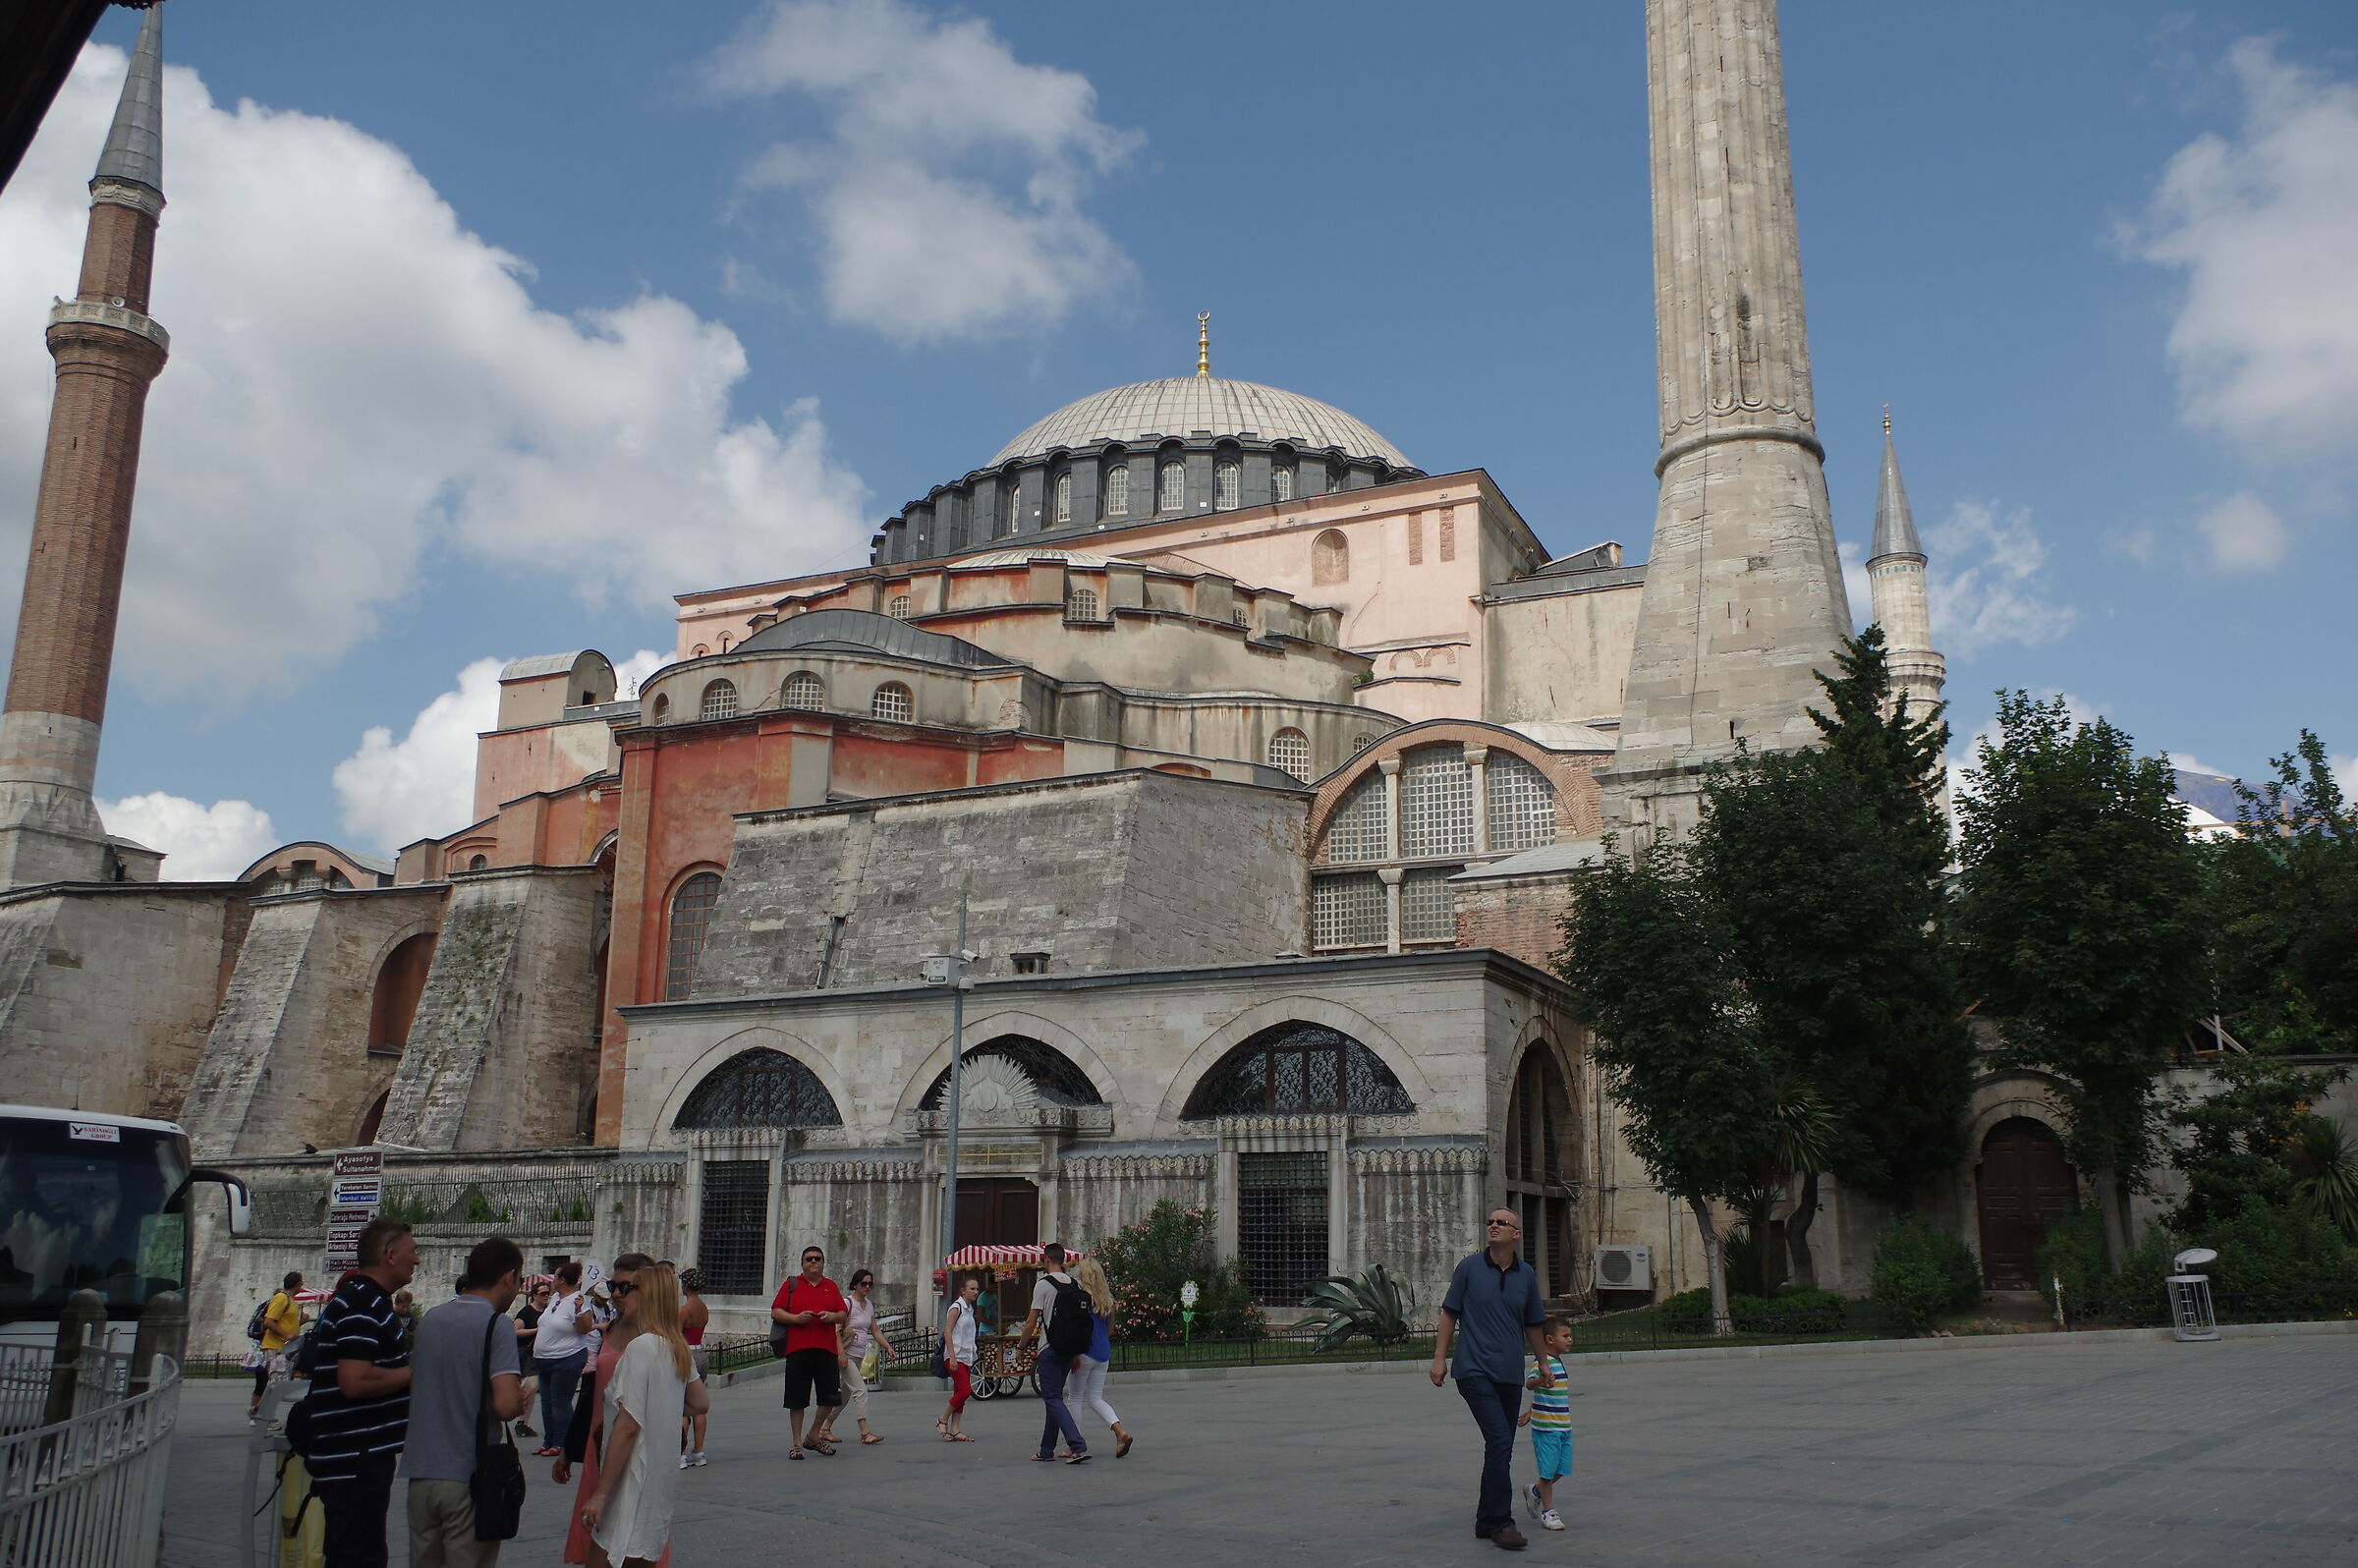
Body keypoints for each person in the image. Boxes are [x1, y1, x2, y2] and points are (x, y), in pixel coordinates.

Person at [1430, 1208, 1553, 1552]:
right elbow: (1449, 1313)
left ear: (1517, 1234)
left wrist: (1543, 1363)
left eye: (1502, 1222)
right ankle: (1501, 1521)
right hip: (1474, 1369)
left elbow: (1533, 1323)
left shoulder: (1526, 1274)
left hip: (1510, 1373)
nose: (1494, 1226)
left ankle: (1485, 1520)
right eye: (1491, 1222)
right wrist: (1440, 1358)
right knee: (1499, 1440)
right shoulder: (1469, 1268)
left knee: (1500, 1446)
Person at [404, 1237, 529, 1567]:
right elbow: (505, 1405)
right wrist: (522, 1397)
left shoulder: (431, 1319)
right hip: (468, 1476)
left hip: (421, 1473)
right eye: (519, 1280)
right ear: (508, 1277)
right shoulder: (496, 1325)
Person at [305, 1216, 419, 1568]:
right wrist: (414, 1373)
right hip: (354, 1457)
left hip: (356, 1455)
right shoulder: (363, 1302)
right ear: (390, 1256)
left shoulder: (366, 1299)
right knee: (358, 1556)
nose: (417, 1259)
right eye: (412, 1251)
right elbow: (353, 1380)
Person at [580, 1264, 705, 1568]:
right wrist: (662, 1407)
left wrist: (601, 1493)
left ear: (646, 1296)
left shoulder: (640, 1348)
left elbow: (627, 1426)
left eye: (627, 1288)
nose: (619, 1294)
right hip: (658, 1481)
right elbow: (700, 1402)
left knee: (605, 1554)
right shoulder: (676, 1347)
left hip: (631, 1478)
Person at [558, 1254, 662, 1568]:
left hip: (636, 1447)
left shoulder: (657, 1337)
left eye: (624, 1287)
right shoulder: (612, 1328)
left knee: (632, 1543)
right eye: (613, 1286)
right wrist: (570, 1448)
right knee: (600, 1533)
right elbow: (593, 1391)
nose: (616, 1294)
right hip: (599, 1444)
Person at [769, 1245, 848, 1461]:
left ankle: (813, 1435)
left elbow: (842, 1313)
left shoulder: (830, 1286)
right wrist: (796, 1319)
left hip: (826, 1349)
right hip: (798, 1349)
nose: (814, 1262)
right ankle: (796, 1443)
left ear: (823, 1263)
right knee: (797, 1399)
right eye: (809, 1259)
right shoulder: (792, 1284)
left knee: (830, 1397)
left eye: (818, 1259)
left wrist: (831, 1317)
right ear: (802, 1263)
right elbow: (776, 1311)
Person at [1014, 1242, 1090, 1464]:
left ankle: (1077, 1444)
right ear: (1063, 1260)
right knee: (1054, 1399)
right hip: (1069, 1349)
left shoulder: (1043, 1285)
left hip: (1049, 1348)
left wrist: (1021, 1347)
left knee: (1052, 1398)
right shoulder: (1074, 1284)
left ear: (1046, 1259)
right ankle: (1046, 1450)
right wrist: (1076, 1353)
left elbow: (1031, 1322)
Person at [1067, 1258, 1132, 1458]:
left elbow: (1076, 1328)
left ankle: (1075, 1444)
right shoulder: (1108, 1300)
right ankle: (1119, 1431)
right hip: (1103, 1353)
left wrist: (1074, 1353)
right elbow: (1110, 1330)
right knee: (1096, 1398)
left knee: (1074, 1397)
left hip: (1084, 1352)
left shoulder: (1081, 1299)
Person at [1517, 1316, 1574, 1533]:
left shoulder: (1558, 1362)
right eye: (1565, 1336)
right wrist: (1541, 1379)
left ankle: (1535, 1492)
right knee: (1548, 1472)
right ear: (1550, 1339)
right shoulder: (1543, 1363)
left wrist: (1530, 1410)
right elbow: (1530, 1383)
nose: (1570, 1340)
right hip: (1547, 1428)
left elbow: (1546, 1396)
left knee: (1562, 1468)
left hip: (1564, 1426)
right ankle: (1548, 1512)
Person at [823, 1268, 891, 1448]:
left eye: (870, 1284)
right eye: (863, 1283)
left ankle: (825, 1428)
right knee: (861, 1390)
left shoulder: (869, 1305)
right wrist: (840, 1354)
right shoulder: (847, 1303)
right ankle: (865, 1432)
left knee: (844, 1396)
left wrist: (888, 1347)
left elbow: (874, 1330)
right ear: (855, 1285)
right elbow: (836, 1329)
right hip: (847, 1355)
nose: (867, 1287)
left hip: (859, 1355)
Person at [533, 1263, 593, 1459]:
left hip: (566, 1358)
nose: (552, 1280)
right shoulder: (556, 1299)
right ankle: (549, 1441)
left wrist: (578, 1310)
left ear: (562, 1280)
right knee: (546, 1403)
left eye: (555, 1277)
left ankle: (561, 1443)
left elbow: (585, 1329)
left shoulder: (578, 1301)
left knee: (560, 1402)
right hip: (545, 1359)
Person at [250, 1270, 305, 1420]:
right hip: (275, 1346)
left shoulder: (291, 1301)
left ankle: (259, 1411)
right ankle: (263, 1415)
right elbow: (269, 1321)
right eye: (301, 1283)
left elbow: (285, 1324)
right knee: (278, 1384)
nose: (302, 1286)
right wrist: (286, 1335)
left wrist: (301, 1322)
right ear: (297, 1284)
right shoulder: (281, 1298)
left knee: (278, 1383)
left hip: (283, 1348)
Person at [935, 1275, 980, 1442]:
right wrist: (952, 1356)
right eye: (972, 1289)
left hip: (966, 1356)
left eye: (977, 1289)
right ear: (963, 1290)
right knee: (965, 1391)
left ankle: (955, 1429)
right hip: (955, 1356)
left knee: (959, 1392)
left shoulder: (969, 1309)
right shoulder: (956, 1307)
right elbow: (947, 1331)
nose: (975, 1292)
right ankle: (942, 1419)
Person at [676, 1268, 709, 1469]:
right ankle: (698, 1451)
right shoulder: (703, 1307)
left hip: (687, 1354)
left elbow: (676, 1336)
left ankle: (679, 1454)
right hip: (701, 1353)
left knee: (682, 1405)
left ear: (686, 1286)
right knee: (699, 1405)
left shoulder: (684, 1310)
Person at [512, 1280, 553, 1439]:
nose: (546, 1296)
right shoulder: (526, 1312)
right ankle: (519, 1418)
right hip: (527, 1352)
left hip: (542, 1353)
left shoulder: (549, 1311)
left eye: (548, 1293)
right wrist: (536, 1330)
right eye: (543, 1293)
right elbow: (515, 1331)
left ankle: (522, 1422)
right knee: (531, 1385)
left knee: (532, 1387)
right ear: (534, 1296)